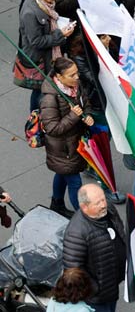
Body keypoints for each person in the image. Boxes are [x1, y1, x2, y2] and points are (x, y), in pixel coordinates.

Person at [39, 57, 93, 217]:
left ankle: (57, 203)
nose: (77, 77)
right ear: (59, 77)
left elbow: (85, 103)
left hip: (75, 144)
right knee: (75, 183)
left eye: (76, 73)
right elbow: (52, 128)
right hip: (63, 150)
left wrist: (87, 115)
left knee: (62, 174)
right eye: (72, 75)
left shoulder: (75, 86)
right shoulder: (49, 98)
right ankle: (84, 219)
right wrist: (74, 116)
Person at [19, 0, 75, 113]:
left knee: (46, 89)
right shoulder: (30, 13)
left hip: (49, 55)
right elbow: (36, 41)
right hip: (40, 59)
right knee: (40, 92)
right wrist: (60, 34)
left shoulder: (42, 3)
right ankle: (35, 119)